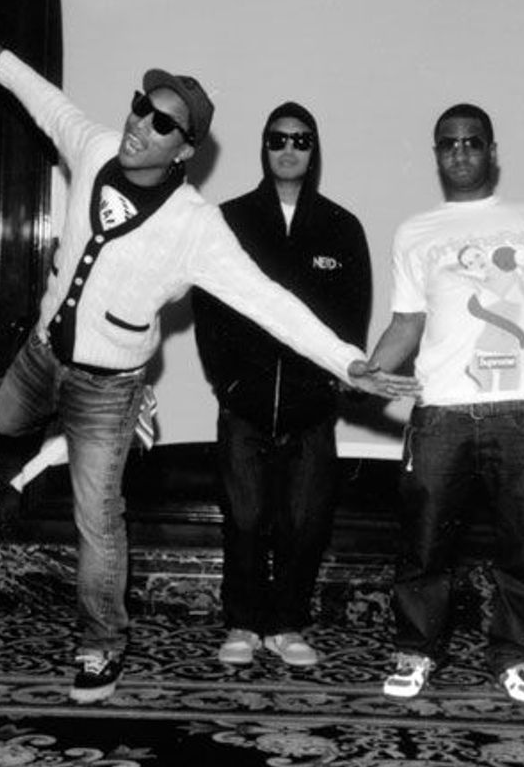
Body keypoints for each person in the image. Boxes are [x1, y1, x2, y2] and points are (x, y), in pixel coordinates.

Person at [0, 3, 419, 704]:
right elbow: (49, 104)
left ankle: (101, 646)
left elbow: (270, 302)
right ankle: (1, 437)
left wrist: (346, 361)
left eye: (162, 122)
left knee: (97, 518)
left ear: (185, 149)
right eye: (141, 105)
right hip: (42, 353)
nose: (140, 124)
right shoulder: (94, 146)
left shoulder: (197, 229)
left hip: (107, 387)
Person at [368, 103, 524, 704]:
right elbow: (406, 322)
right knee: (424, 544)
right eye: (449, 143)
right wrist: (365, 372)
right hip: (442, 411)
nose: (461, 152)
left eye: (473, 142)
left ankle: (516, 657)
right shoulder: (415, 231)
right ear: (437, 155)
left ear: (492, 152)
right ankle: (416, 651)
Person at [192, 102, 371, 666]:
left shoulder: (341, 227)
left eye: (301, 140)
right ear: (264, 147)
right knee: (244, 519)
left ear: (314, 151)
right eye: (278, 139)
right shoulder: (230, 220)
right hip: (243, 405)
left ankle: (288, 624)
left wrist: (327, 385)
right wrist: (228, 384)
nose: (288, 149)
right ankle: (243, 624)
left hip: (311, 408)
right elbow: (208, 310)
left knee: (304, 522)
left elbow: (353, 318)